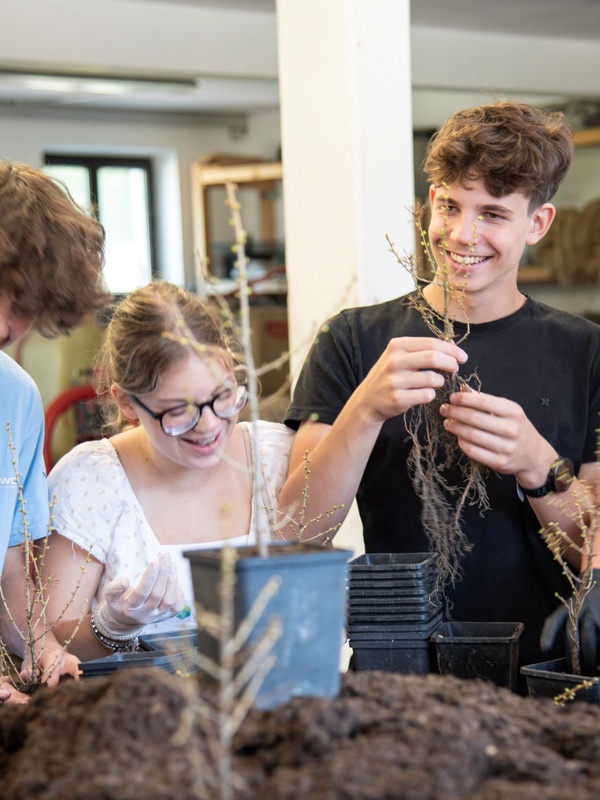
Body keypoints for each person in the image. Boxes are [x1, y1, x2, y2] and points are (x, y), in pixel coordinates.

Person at [280, 100, 600, 678]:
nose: (462, 233)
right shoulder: (352, 340)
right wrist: (364, 409)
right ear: (431, 202)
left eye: (493, 214)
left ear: (538, 223)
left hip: (547, 678)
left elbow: (591, 557)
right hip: (398, 673)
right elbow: (298, 533)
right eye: (450, 205)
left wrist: (537, 463)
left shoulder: (587, 354)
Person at [43, 281, 293, 660]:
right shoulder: (90, 481)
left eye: (223, 396)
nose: (209, 426)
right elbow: (49, 638)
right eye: (178, 411)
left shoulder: (276, 456)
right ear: (126, 402)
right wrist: (111, 627)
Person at [0, 159, 107, 703]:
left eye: (21, 306)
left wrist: (39, 645)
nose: (2, 324)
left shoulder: (14, 398)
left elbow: (11, 562)